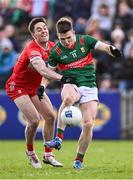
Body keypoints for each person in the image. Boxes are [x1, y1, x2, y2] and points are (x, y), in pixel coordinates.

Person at [41, 17, 121, 169]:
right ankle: (58, 138)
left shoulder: (85, 40)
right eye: (62, 38)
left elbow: (103, 46)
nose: (65, 41)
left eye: (68, 37)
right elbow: (48, 74)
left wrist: (113, 50)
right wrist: (42, 87)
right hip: (71, 82)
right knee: (69, 98)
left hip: (89, 86)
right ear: (58, 36)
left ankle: (78, 160)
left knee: (89, 124)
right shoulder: (56, 51)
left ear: (74, 32)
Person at [5, 17, 71, 169]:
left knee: (50, 116)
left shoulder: (53, 47)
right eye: (39, 29)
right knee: (34, 120)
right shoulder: (32, 49)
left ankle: (48, 155)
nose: (43, 31)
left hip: (35, 86)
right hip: (18, 86)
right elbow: (42, 69)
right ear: (34, 35)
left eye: (45, 28)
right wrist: (63, 78)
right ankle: (30, 152)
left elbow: (65, 62)